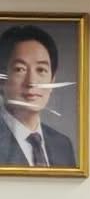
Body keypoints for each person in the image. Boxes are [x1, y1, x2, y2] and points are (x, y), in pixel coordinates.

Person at [0, 25, 77, 168]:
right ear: (2, 79)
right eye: (20, 69)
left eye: (41, 70)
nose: (32, 82)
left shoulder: (63, 145)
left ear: (52, 81)